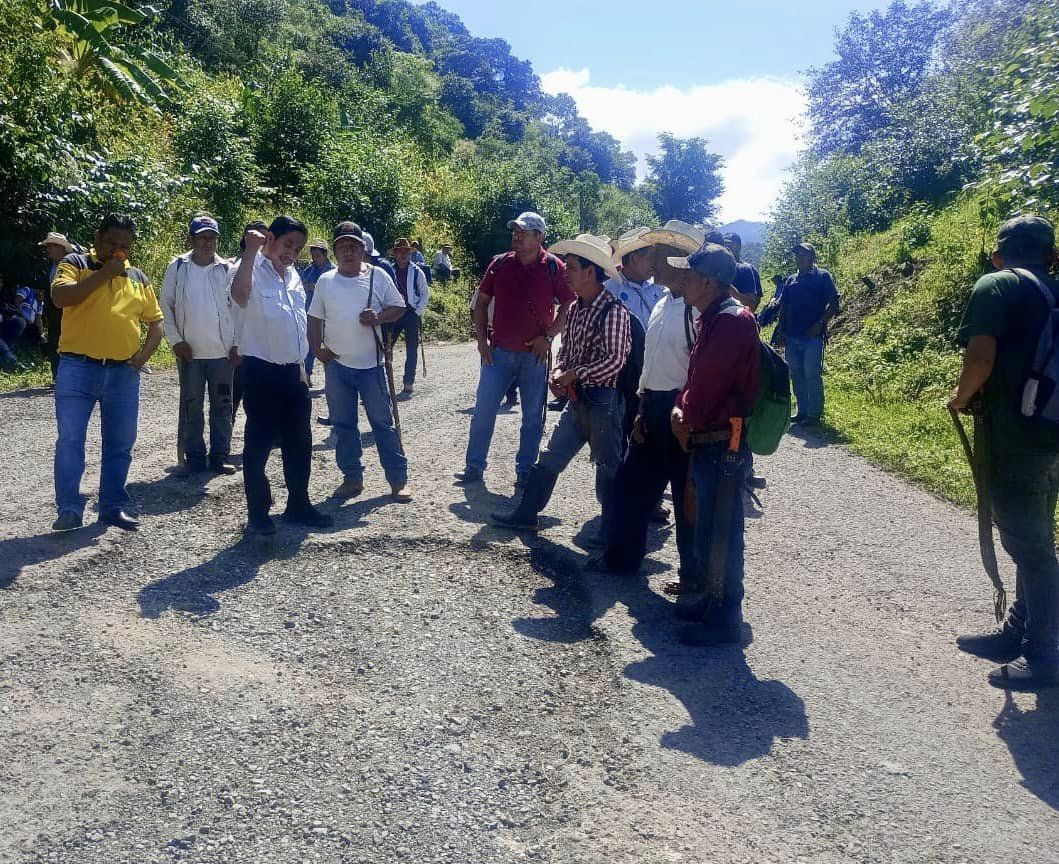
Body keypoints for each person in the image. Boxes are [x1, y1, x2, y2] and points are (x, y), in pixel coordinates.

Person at [951, 215, 1059, 691]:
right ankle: (1018, 631)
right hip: (1052, 436)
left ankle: (1045, 653)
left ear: (999, 255)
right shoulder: (1055, 290)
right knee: (1032, 539)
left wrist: (959, 398)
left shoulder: (995, 285)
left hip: (1014, 438)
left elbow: (980, 357)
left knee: (1032, 549)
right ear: (1052, 256)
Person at [491, 234, 631, 540]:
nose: (565, 274)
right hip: (579, 398)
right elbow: (568, 348)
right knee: (551, 456)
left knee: (608, 466)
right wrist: (558, 370)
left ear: (590, 272)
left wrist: (573, 374)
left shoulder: (614, 311)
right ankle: (526, 515)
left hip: (603, 401)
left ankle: (611, 533)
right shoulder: (580, 307)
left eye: (571, 268)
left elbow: (615, 361)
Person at [588, 221, 705, 582]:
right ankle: (621, 560)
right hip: (653, 408)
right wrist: (641, 409)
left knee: (688, 500)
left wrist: (686, 413)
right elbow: (650, 363)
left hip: (681, 412)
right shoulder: (661, 304)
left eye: (658, 254)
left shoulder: (695, 309)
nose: (651, 260)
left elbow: (700, 366)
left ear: (680, 260)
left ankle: (693, 579)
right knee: (629, 488)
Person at [669, 242, 760, 646]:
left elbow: (706, 387)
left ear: (707, 281)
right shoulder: (712, 317)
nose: (682, 280)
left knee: (722, 531)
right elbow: (695, 378)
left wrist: (683, 414)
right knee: (707, 526)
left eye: (688, 274)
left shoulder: (732, 322)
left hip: (724, 444)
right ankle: (710, 599)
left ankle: (725, 616)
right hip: (709, 440)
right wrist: (680, 408)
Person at [50, 213, 165, 532]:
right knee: (71, 439)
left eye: (125, 246)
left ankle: (112, 506)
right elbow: (61, 297)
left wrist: (142, 357)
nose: (118, 250)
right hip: (77, 367)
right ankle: (69, 508)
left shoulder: (138, 277)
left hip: (123, 373)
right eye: (112, 242)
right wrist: (104, 274)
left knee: (120, 442)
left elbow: (156, 323)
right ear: (98, 238)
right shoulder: (74, 262)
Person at [229, 215, 333, 535]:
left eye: (298, 248)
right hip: (260, 370)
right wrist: (250, 252)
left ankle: (298, 504)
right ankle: (258, 513)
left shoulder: (292, 278)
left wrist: (303, 368)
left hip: (293, 373)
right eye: (288, 244)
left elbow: (297, 326)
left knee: (300, 442)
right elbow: (239, 296)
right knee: (258, 444)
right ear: (269, 239)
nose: (293, 252)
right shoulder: (247, 269)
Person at [456, 211, 574, 489]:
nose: (516, 236)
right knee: (483, 411)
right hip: (498, 354)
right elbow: (482, 303)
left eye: (523, 232)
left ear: (540, 237)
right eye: (515, 232)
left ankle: (525, 471)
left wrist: (549, 336)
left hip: (535, 356)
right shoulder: (499, 265)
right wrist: (482, 340)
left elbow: (570, 305)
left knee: (533, 418)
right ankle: (473, 468)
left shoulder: (555, 267)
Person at [308, 221, 410, 502]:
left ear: (363, 249)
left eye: (354, 246)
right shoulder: (326, 281)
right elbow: (314, 317)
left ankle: (398, 480)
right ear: (336, 251)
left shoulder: (378, 276)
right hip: (337, 366)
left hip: (372, 366)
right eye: (343, 246)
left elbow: (400, 306)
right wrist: (317, 348)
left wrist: (379, 316)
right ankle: (352, 478)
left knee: (383, 424)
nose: (348, 251)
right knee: (343, 425)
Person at [160, 214, 238, 477]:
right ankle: (194, 458)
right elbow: (166, 306)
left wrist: (237, 344)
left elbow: (239, 308)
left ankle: (219, 457)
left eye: (212, 237)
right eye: (202, 237)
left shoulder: (227, 269)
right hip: (190, 353)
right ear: (191, 239)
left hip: (223, 354)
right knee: (191, 406)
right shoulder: (178, 267)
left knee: (223, 406)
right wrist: (176, 341)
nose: (208, 242)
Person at [778, 242, 840, 426]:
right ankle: (802, 411)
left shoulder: (822, 276)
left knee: (811, 374)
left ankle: (814, 414)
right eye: (797, 254)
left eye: (803, 254)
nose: (799, 257)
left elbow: (834, 304)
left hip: (812, 336)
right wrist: (781, 330)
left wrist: (820, 324)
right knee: (796, 374)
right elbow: (784, 306)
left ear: (812, 257)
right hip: (792, 336)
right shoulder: (791, 280)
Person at [230, 220, 268, 422]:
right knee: (233, 398)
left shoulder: (270, 269)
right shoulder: (236, 268)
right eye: (256, 237)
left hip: (260, 346)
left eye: (265, 238)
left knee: (259, 401)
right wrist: (234, 344)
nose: (260, 242)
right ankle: (224, 443)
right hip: (239, 344)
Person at [384, 237, 430, 396]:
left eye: (405, 251)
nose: (403, 254)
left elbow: (425, 294)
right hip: (394, 312)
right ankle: (384, 381)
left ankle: (408, 382)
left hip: (411, 313)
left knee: (412, 348)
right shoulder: (389, 271)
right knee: (387, 346)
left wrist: (417, 312)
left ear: (409, 253)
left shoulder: (417, 271)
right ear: (395, 254)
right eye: (399, 251)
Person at [605, 227, 665, 330]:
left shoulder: (660, 289)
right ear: (634, 259)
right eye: (650, 257)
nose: (654, 263)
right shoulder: (609, 291)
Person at [39, 232, 74, 380]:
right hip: (53, 310)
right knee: (54, 342)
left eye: (51, 246)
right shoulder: (50, 265)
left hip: (69, 310)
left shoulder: (73, 264)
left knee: (68, 344)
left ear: (60, 247)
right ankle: (58, 376)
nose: (48, 250)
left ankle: (68, 377)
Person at [300, 239, 334, 387]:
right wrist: (305, 287)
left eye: (318, 255)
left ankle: (333, 377)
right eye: (313, 255)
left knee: (330, 345)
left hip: (330, 314)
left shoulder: (334, 271)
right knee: (310, 345)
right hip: (311, 314)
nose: (315, 258)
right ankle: (307, 374)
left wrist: (317, 288)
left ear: (325, 254)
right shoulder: (308, 270)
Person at [725, 233, 763, 312]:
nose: (727, 247)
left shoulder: (748, 269)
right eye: (724, 244)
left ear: (739, 247)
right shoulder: (719, 268)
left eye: (730, 244)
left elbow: (755, 302)